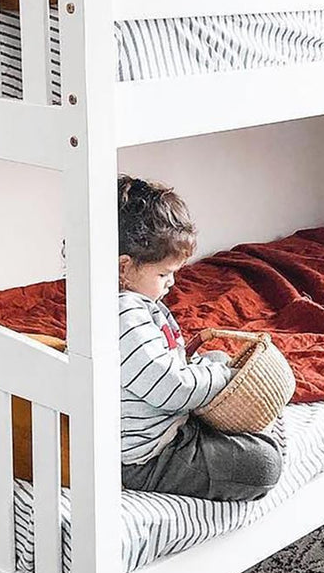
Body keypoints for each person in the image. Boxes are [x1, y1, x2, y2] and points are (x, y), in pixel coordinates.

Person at [117, 175, 283, 501]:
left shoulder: (130, 302)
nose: (171, 283)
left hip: (163, 422)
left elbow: (159, 366)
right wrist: (224, 376)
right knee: (264, 464)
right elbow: (171, 387)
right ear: (124, 267)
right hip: (147, 454)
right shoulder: (123, 314)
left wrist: (206, 366)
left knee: (217, 362)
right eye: (163, 274)